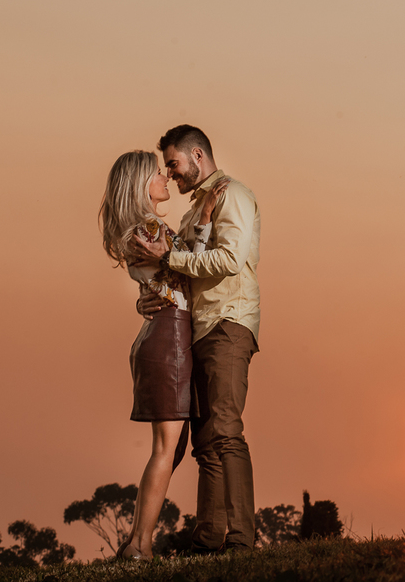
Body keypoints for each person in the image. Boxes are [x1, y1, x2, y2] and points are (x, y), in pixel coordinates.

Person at [132, 125, 261, 554]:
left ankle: (241, 540)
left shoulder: (232, 195)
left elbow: (229, 259)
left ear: (197, 156)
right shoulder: (194, 212)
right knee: (206, 442)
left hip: (227, 321)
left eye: (173, 164)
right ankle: (207, 540)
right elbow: (177, 276)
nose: (170, 174)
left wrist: (169, 256)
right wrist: (147, 296)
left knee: (225, 431)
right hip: (198, 329)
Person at [98, 149, 227, 560]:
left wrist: (146, 297)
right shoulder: (150, 228)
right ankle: (140, 546)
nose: (165, 178)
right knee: (165, 449)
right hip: (170, 337)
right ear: (140, 185)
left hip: (163, 334)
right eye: (157, 173)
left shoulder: (140, 228)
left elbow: (165, 278)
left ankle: (136, 543)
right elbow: (188, 270)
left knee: (170, 448)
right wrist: (205, 217)